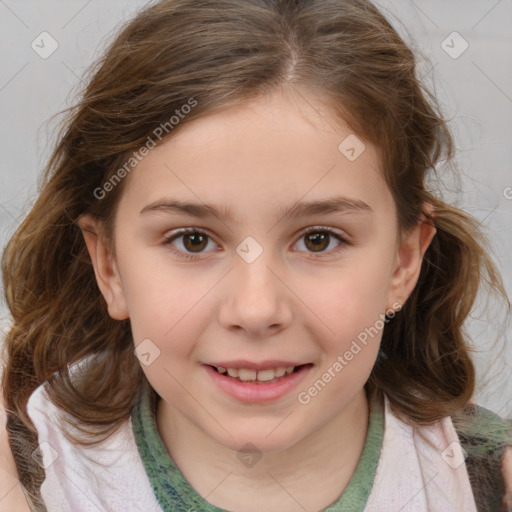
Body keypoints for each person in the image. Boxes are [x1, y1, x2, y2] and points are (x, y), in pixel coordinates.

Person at [1, 0, 511, 511]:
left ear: (402, 263)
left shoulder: (486, 482)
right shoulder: (27, 480)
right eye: (192, 240)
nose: (256, 309)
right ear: (109, 267)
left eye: (318, 239)